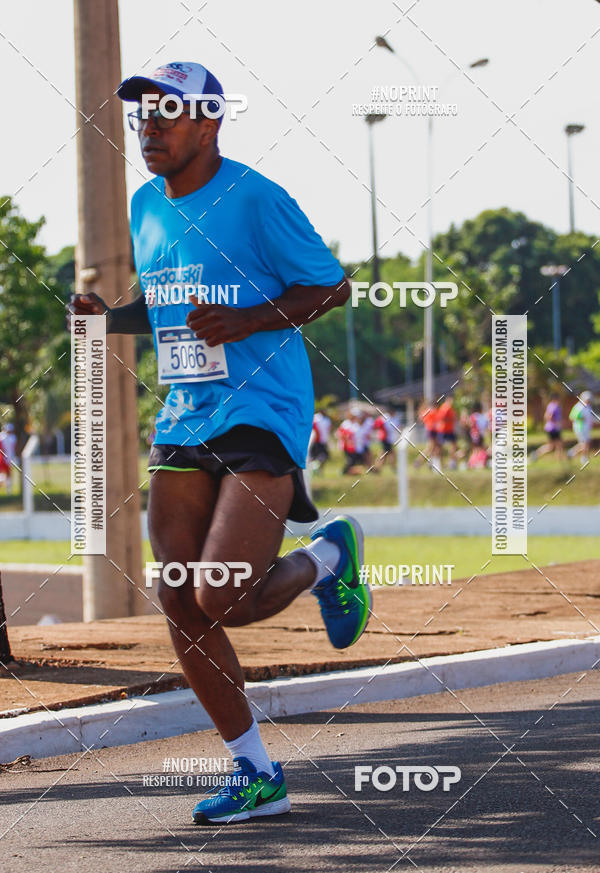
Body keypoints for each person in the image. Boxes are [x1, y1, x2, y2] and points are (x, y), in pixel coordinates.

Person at [67, 61, 371, 826]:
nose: (149, 126)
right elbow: (169, 308)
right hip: (186, 412)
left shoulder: (257, 198)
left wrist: (248, 319)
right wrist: (110, 319)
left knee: (222, 594)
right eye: (142, 113)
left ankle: (326, 556)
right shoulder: (146, 207)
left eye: (167, 113)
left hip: (261, 407)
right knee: (178, 595)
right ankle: (257, 772)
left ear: (209, 123)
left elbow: (331, 286)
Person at [533, 394, 564, 461]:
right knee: (552, 446)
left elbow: (546, 416)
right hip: (553, 428)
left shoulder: (550, 405)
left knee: (558, 445)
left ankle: (559, 459)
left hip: (552, 428)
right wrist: (555, 422)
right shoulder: (554, 406)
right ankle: (536, 454)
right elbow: (549, 416)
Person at [568, 390, 595, 464]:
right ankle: (584, 458)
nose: (588, 400)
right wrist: (581, 418)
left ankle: (571, 453)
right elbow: (572, 416)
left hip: (586, 428)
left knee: (585, 443)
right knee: (585, 443)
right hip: (580, 427)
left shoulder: (588, 406)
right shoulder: (579, 406)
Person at [436, 395, 457, 469]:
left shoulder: (450, 408)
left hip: (449, 430)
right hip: (443, 430)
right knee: (440, 447)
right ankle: (439, 463)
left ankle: (452, 462)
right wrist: (451, 419)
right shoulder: (445, 407)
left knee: (453, 445)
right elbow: (442, 418)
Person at [0, 423, 17, 494]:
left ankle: (8, 489)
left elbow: (14, 448)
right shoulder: (2, 437)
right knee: (3, 472)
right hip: (3, 458)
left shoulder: (13, 437)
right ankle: (6, 487)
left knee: (8, 473)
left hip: (9, 457)